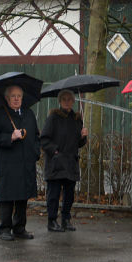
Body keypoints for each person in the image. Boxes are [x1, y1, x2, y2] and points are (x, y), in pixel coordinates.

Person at [0, 84, 40, 241]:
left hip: (25, 162)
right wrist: (10, 137)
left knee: (23, 197)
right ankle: (5, 228)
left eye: (19, 96)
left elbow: (36, 136)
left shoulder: (29, 114)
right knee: (7, 197)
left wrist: (35, 152)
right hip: (8, 162)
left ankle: (20, 227)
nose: (16, 99)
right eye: (13, 96)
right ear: (7, 98)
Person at [40, 89, 88, 232]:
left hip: (71, 161)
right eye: (64, 99)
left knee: (69, 194)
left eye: (69, 99)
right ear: (60, 101)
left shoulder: (77, 119)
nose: (67, 102)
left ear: (73, 101)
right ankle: (52, 220)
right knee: (53, 194)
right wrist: (55, 151)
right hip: (56, 161)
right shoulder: (53, 118)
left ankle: (66, 219)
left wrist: (83, 137)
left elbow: (78, 143)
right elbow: (44, 139)